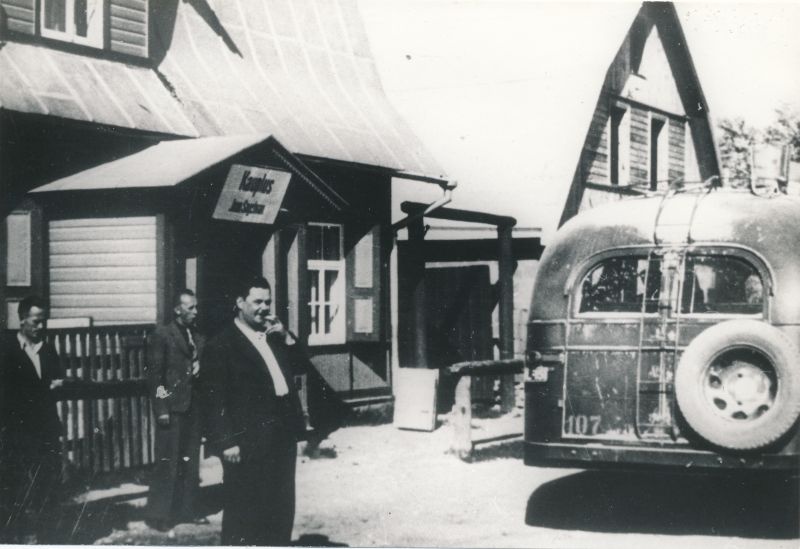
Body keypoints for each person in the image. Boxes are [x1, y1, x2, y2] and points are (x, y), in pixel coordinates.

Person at [198, 276, 307, 546]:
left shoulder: (273, 338)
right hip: (246, 442)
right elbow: (213, 399)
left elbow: (301, 369)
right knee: (244, 511)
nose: (264, 308)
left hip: (280, 437)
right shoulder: (221, 345)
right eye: (257, 301)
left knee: (280, 507)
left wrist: (286, 337)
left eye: (268, 302)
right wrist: (226, 442)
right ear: (239, 303)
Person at [0, 296, 64, 543]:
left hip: (46, 429)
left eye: (44, 322)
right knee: (13, 486)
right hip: (17, 431)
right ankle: (12, 537)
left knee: (47, 484)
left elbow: (56, 378)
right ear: (22, 320)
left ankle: (48, 538)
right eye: (36, 321)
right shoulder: (7, 351)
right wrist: (43, 390)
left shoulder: (47, 350)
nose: (41, 327)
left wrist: (57, 384)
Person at [144, 289, 208, 531]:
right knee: (167, 461)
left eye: (196, 307)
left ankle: (188, 510)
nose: (195, 312)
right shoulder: (163, 335)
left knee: (190, 461)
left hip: (193, 406)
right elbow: (156, 376)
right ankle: (159, 515)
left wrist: (201, 365)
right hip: (172, 407)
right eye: (190, 308)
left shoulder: (197, 335)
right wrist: (161, 408)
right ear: (177, 309)